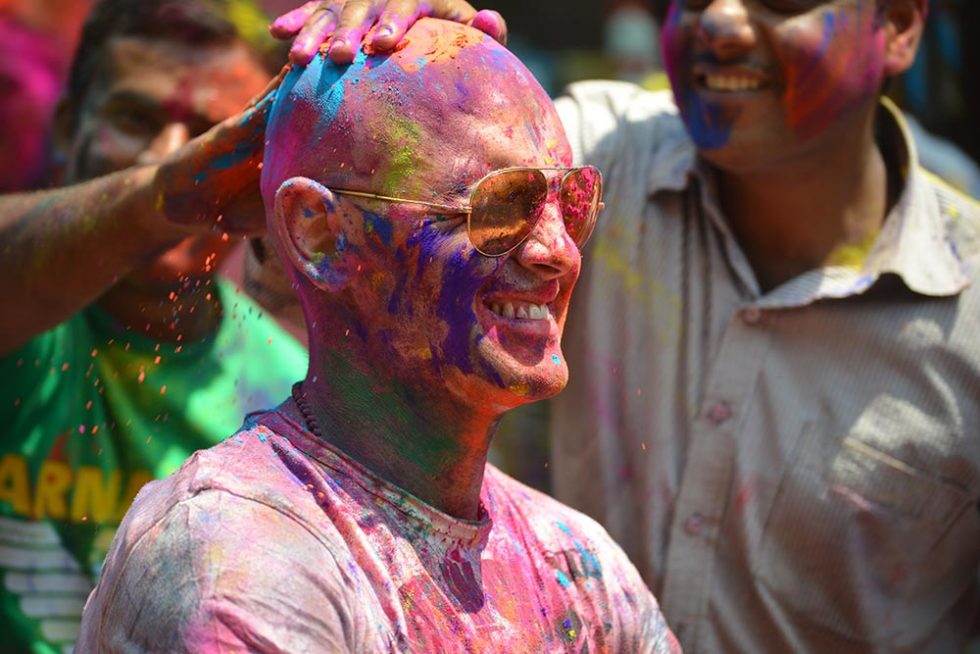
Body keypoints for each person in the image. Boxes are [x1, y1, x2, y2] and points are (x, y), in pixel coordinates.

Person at [276, 0, 980, 652]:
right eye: (508, 205)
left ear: (899, 26)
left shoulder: (968, 320)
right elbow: (339, 198)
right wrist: (382, 69)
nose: (723, 23)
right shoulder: (598, 147)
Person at [77, 18, 681, 653]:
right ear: (320, 235)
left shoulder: (579, 564)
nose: (559, 252)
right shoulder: (237, 552)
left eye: (574, 202)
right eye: (502, 204)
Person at [0, 1, 308, 651]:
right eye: (135, 119)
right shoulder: (27, 324)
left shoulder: (289, 395)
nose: (167, 155)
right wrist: (168, 191)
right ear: (64, 126)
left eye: (210, 136)